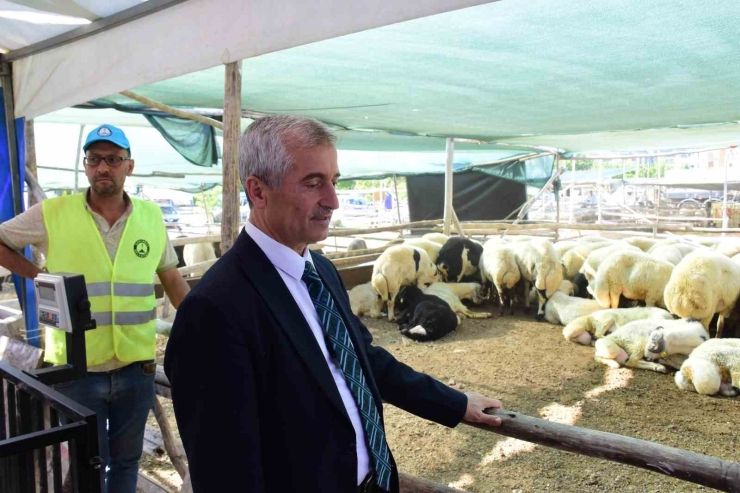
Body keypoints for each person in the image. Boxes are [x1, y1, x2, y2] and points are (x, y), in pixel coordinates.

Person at [164, 115, 503, 493]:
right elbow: (225, 473)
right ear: (258, 192)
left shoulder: (320, 270)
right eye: (313, 183)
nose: (333, 201)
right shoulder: (214, 311)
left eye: (334, 181)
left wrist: (453, 403)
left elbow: (363, 358)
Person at [0, 124, 191, 493]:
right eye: (95, 159)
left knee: (126, 461)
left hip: (136, 367)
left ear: (129, 167)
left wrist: (206, 323)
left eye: (113, 160)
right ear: (86, 166)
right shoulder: (52, 213)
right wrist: (39, 275)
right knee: (86, 463)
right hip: (76, 369)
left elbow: (171, 277)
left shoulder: (151, 217)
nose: (104, 167)